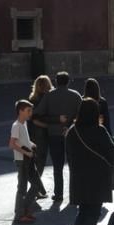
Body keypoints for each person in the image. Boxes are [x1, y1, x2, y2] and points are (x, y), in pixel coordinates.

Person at [67, 97, 114, 225]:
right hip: (97, 179)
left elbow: (69, 155)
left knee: (82, 212)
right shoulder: (99, 130)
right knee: (93, 214)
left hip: (79, 179)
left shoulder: (72, 131)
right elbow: (112, 152)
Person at [35, 72, 83, 201]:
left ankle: (59, 194)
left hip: (54, 134)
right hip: (72, 135)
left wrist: (55, 119)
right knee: (74, 165)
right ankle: (75, 193)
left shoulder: (49, 96)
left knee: (57, 166)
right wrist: (71, 125)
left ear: (56, 81)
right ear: (68, 82)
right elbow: (82, 115)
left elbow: (37, 114)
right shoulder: (76, 95)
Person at [8, 100, 40, 225]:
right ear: (21, 111)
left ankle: (25, 209)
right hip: (22, 160)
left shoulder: (24, 124)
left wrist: (31, 144)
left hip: (28, 159)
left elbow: (23, 141)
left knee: (36, 185)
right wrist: (27, 152)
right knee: (22, 187)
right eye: (28, 111)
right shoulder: (16, 125)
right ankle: (20, 214)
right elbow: (12, 144)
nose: (30, 113)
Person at [27, 75, 53, 198]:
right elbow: (36, 120)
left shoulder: (32, 99)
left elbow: (31, 119)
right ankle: (35, 189)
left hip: (31, 133)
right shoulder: (46, 99)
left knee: (35, 162)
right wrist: (48, 126)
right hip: (41, 134)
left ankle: (35, 187)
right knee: (40, 162)